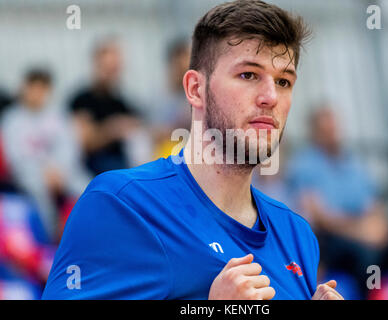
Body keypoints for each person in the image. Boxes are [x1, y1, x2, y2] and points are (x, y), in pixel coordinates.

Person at [42, 0, 343, 300]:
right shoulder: (122, 204)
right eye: (249, 75)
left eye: (283, 81)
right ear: (195, 89)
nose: (270, 96)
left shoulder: (297, 234)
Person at [287, 106, 388, 299]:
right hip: (332, 237)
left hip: (365, 233)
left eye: (334, 128)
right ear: (315, 133)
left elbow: (375, 207)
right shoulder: (305, 165)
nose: (332, 134)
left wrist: (377, 231)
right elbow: (320, 216)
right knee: (365, 259)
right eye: (326, 130)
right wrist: (359, 233)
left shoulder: (354, 164)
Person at [1, 69, 91, 239]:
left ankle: (91, 232)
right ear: (24, 89)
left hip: (61, 170)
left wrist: (58, 170)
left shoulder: (58, 115)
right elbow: (15, 157)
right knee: (39, 193)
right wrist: (43, 172)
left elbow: (70, 148)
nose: (37, 94)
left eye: (41, 89)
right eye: (33, 88)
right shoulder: (11, 119)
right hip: (29, 173)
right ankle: (50, 236)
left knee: (87, 187)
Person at [68, 38, 141, 176]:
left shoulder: (122, 102)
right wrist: (111, 130)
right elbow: (84, 143)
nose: (112, 73)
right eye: (108, 68)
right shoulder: (82, 100)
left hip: (123, 163)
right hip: (94, 167)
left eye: (115, 68)